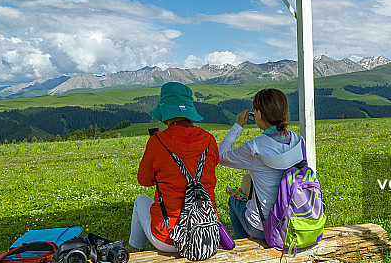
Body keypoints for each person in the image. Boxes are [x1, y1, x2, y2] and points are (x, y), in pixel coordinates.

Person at [129, 82, 219, 252]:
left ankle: (135, 253)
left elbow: (144, 180)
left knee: (140, 200)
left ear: (166, 113)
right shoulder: (209, 139)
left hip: (169, 238)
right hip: (206, 233)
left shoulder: (157, 141)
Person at [218, 88, 305, 240]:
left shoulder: (255, 148)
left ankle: (244, 244)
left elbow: (220, 156)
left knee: (233, 200)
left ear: (259, 114)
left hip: (264, 226)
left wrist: (238, 125)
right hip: (295, 220)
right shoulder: (298, 140)